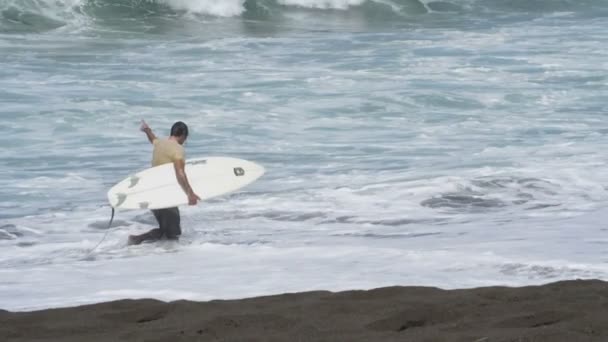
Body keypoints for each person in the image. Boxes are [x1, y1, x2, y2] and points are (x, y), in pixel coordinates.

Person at [128, 120, 201, 245]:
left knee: (166, 231)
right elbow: (180, 173)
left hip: (152, 192)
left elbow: (153, 139)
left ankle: (141, 243)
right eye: (185, 138)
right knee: (173, 234)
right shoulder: (178, 150)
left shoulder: (160, 143)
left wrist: (147, 130)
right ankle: (137, 240)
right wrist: (190, 193)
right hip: (165, 195)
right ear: (183, 135)